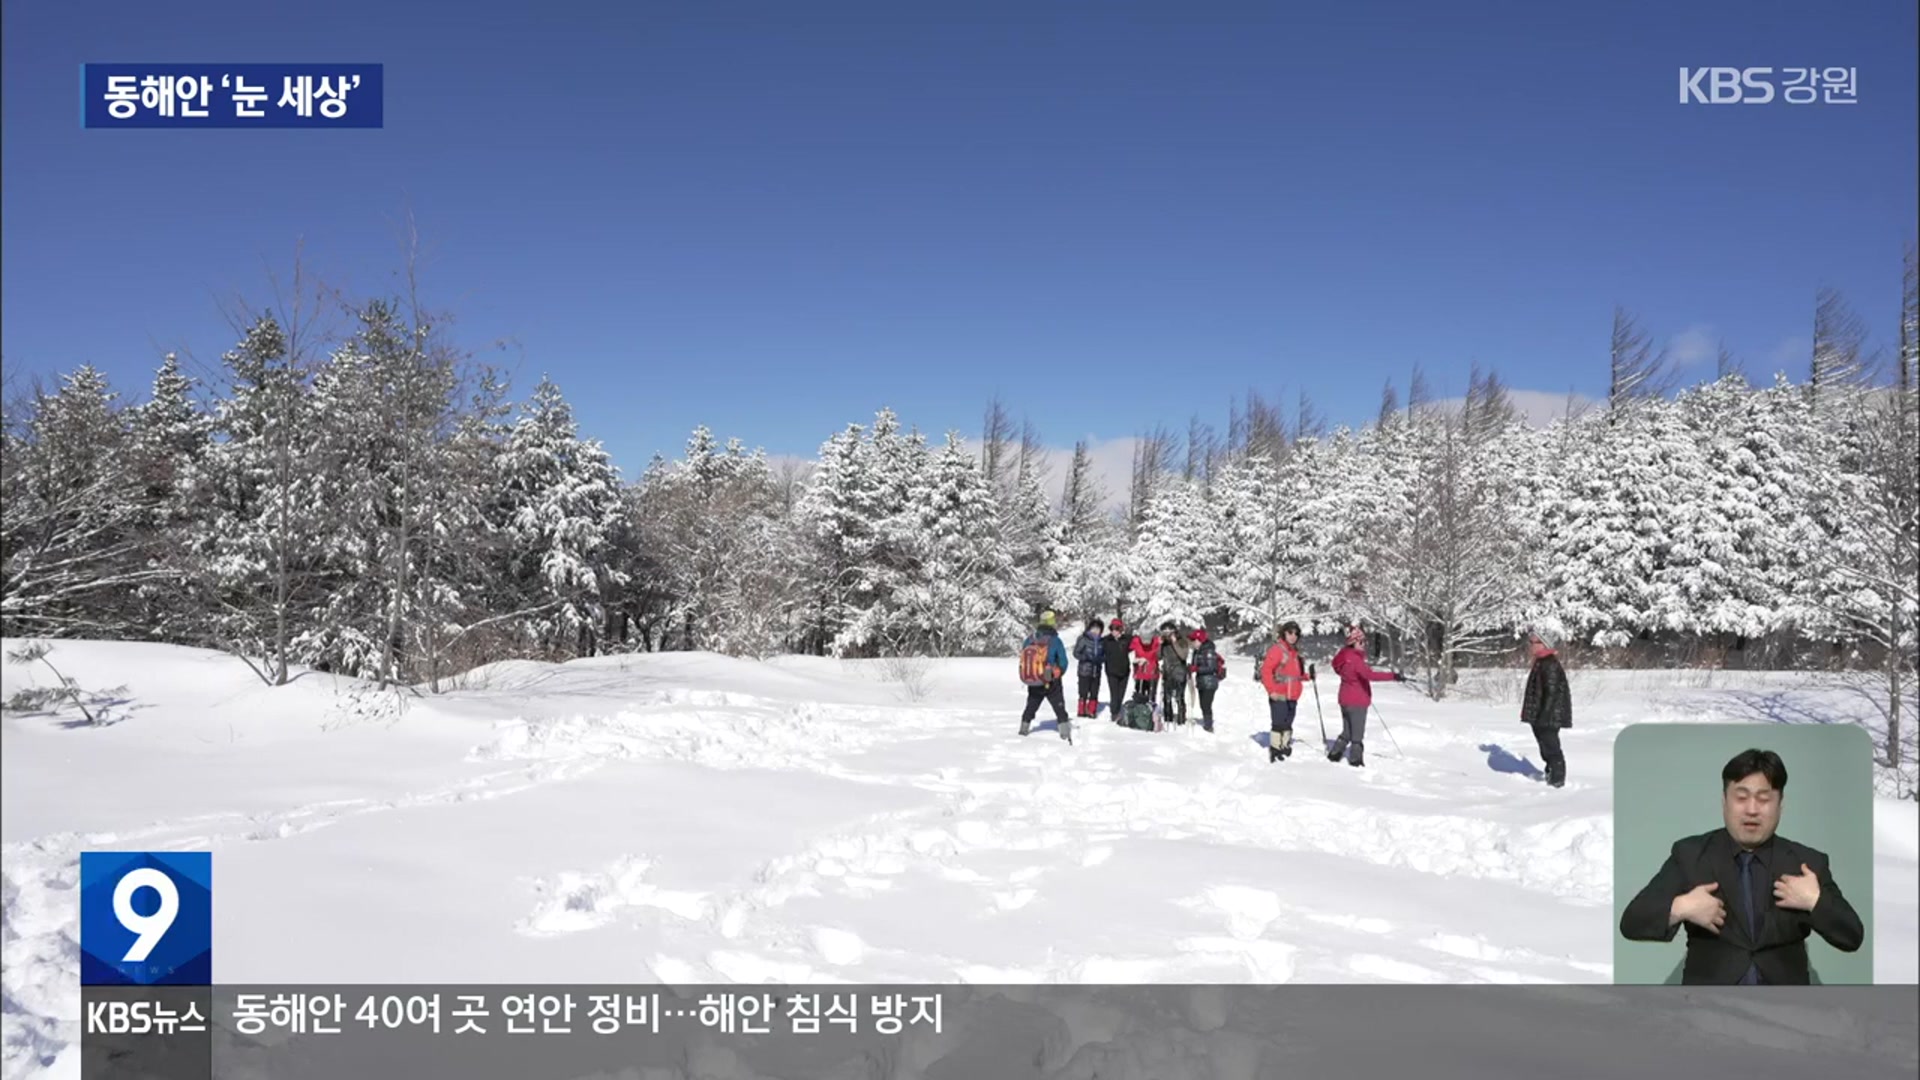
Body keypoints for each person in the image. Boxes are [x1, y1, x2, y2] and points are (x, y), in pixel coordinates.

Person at [1619, 749, 1864, 984]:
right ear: (1724, 801)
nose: (1752, 810)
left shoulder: (1806, 863)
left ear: (1780, 804)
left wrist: (1814, 901)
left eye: (1764, 799)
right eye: (1741, 797)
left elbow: (1852, 936)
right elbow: (1631, 922)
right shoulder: (1690, 855)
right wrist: (1681, 907)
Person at [1328, 622, 1405, 767]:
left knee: (1347, 731)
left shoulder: (1344, 657)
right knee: (1357, 734)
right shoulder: (1355, 660)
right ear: (1353, 643)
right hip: (1357, 701)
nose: (1364, 644)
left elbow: (1342, 671)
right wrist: (1393, 676)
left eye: (1365, 641)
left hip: (1345, 699)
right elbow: (1370, 675)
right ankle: (1356, 761)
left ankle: (1334, 754)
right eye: (1361, 642)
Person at [1520, 629, 1570, 787]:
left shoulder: (1549, 663)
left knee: (1551, 748)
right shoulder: (1541, 661)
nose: (1531, 645)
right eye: (1531, 642)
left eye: (1535, 642)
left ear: (1545, 644)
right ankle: (1551, 774)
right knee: (1545, 746)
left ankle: (1557, 781)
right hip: (1542, 714)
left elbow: (1552, 692)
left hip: (1548, 716)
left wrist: (1545, 716)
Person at [1259, 621, 1314, 762]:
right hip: (1279, 692)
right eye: (1290, 632)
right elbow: (1266, 671)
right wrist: (1271, 690)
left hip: (1293, 694)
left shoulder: (1295, 653)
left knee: (1288, 721)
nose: (1293, 636)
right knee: (1278, 721)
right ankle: (1275, 748)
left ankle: (1285, 745)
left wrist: (1308, 676)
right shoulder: (1277, 650)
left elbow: (1295, 675)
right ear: (1284, 633)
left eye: (1296, 633)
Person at [1017, 611, 1072, 742]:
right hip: (1051, 680)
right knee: (1059, 706)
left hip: (1034, 679)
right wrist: (1059, 672)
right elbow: (1063, 661)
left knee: (1031, 705)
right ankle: (1064, 731)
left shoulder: (1030, 639)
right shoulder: (1055, 640)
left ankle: (1024, 728)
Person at [1189, 627, 1226, 733]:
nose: (1192, 643)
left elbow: (1211, 667)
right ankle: (1207, 722)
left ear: (1199, 640)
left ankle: (1208, 726)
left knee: (1206, 704)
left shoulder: (1208, 650)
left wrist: (1196, 668)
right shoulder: (1197, 651)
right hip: (1202, 681)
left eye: (1194, 640)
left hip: (1210, 681)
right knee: (1203, 704)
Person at [1072, 617, 1106, 719]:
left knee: (1094, 691)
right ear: (1089, 629)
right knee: (1083, 691)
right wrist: (1085, 657)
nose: (1096, 631)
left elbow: (1105, 655)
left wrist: (1101, 659)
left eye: (1098, 629)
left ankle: (1092, 710)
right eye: (1094, 628)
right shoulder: (1083, 639)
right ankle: (1081, 710)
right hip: (1084, 670)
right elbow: (1076, 653)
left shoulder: (1102, 642)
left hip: (1096, 670)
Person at [1160, 624, 1191, 726]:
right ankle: (1168, 717)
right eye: (1165, 634)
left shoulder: (1182, 641)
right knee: (1166, 697)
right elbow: (1158, 657)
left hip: (1179, 672)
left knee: (1179, 696)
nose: (1167, 636)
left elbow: (1183, 656)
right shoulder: (1164, 644)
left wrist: (1175, 643)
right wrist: (1159, 645)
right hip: (1167, 672)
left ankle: (1181, 719)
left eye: (1169, 633)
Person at [1102, 618, 1132, 721]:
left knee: (1121, 693)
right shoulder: (1106, 640)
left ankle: (1118, 709)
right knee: (1114, 693)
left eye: (1117, 628)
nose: (1114, 631)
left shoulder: (1126, 639)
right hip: (1111, 671)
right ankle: (1114, 713)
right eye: (1112, 628)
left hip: (1124, 671)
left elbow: (1137, 643)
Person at [1129, 624, 1162, 705]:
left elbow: (1160, 655)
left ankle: (1151, 713)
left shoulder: (1157, 642)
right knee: (1140, 696)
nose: (1146, 643)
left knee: (1151, 697)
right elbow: (1124, 650)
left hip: (1152, 673)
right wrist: (1136, 661)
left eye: (1148, 640)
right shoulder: (1135, 641)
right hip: (1140, 673)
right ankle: (1140, 713)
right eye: (1144, 640)